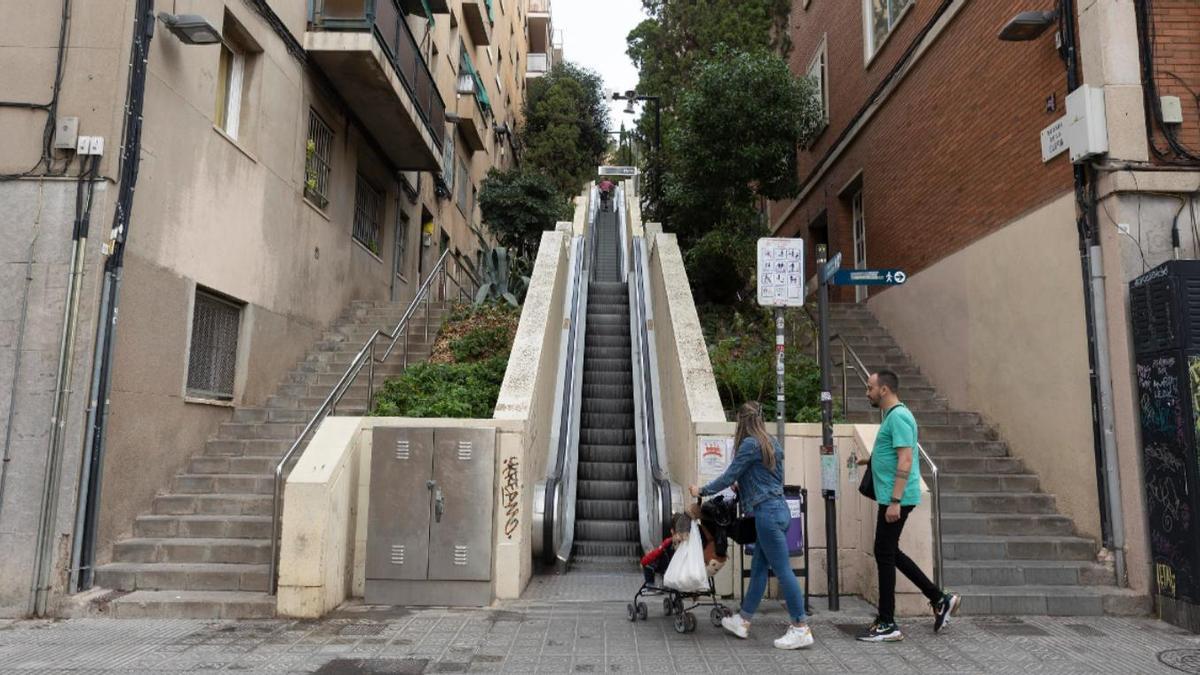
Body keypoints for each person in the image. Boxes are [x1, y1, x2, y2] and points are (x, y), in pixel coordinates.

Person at [689, 402, 813, 650]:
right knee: (758, 568)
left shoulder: (749, 444)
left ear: (741, 421)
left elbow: (729, 475)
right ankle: (743, 621)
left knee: (782, 570)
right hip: (779, 510)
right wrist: (743, 485)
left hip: (766, 514)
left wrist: (701, 489)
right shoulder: (771, 443)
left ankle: (800, 627)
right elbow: (767, 478)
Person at [857, 369, 960, 642]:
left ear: (884, 390)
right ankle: (939, 599)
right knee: (890, 552)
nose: (867, 392)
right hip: (893, 495)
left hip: (896, 497)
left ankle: (888, 623)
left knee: (884, 553)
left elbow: (905, 459)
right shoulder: (893, 416)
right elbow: (895, 453)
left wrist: (895, 502)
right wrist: (871, 461)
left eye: (870, 388)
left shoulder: (899, 416)